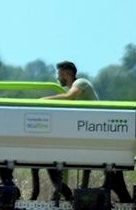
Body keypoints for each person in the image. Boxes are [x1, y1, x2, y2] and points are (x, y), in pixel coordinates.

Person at [43, 61, 130, 202]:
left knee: (116, 183)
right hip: (87, 134)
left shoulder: (81, 83)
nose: (58, 78)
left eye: (59, 74)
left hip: (95, 134)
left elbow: (68, 97)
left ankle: (66, 194)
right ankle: (65, 194)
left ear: (67, 73)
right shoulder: (72, 90)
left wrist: (42, 101)